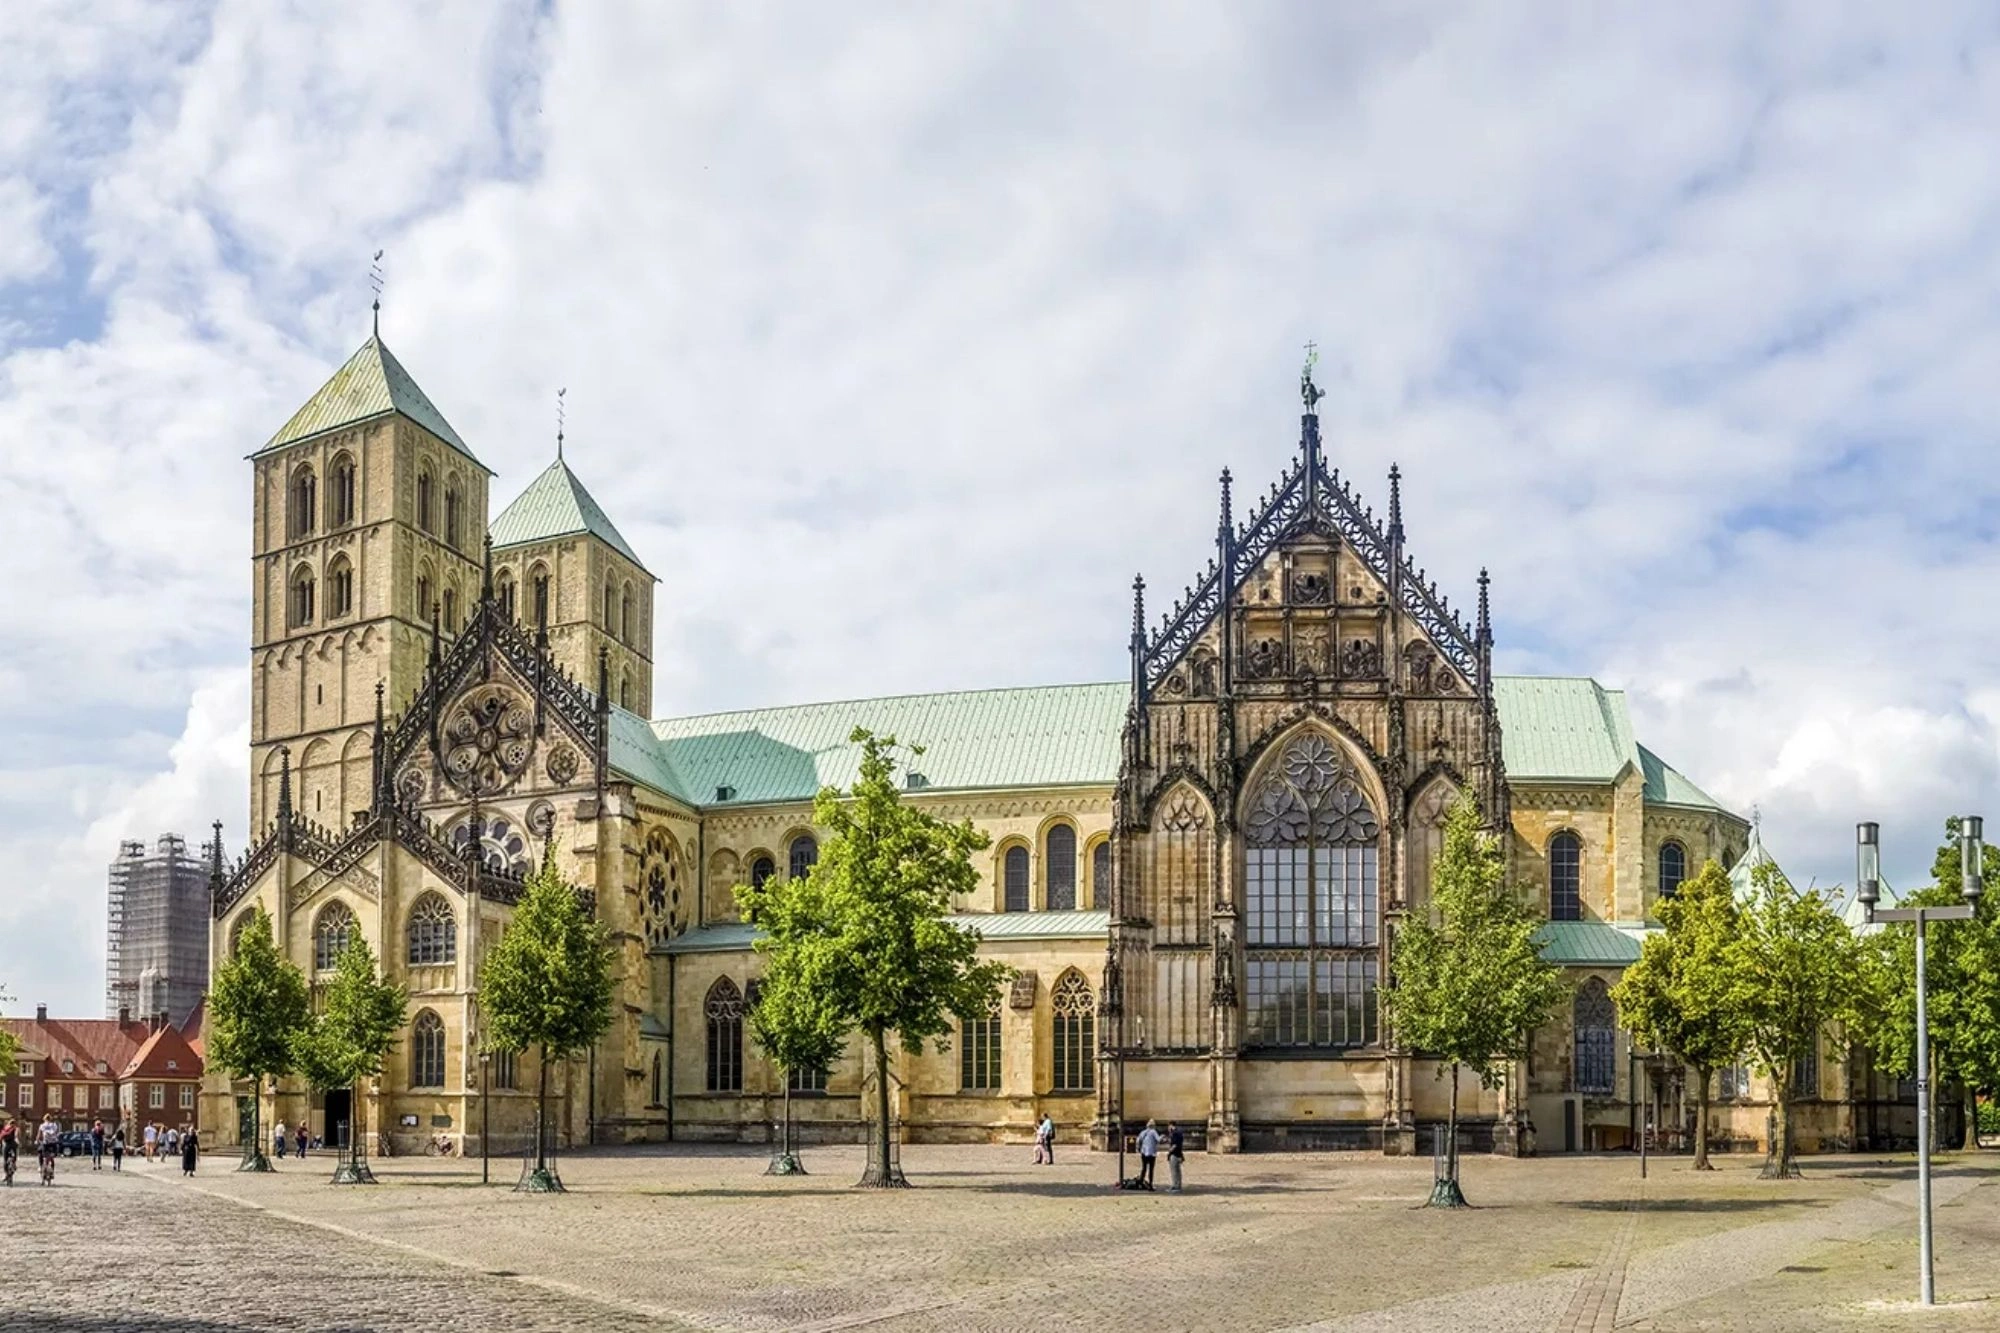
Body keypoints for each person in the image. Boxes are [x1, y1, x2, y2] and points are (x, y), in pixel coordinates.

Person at [1137, 1119, 1160, 1191]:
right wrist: (1162, 1137)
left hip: (1143, 1152)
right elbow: (1158, 1139)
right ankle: (1150, 1184)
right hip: (1151, 1153)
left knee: (1144, 1168)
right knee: (1151, 1169)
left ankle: (1140, 1182)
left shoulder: (1143, 1132)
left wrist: (1139, 1149)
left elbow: (1138, 1141)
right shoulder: (1153, 1132)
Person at [1167, 1121, 1185, 1193]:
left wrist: (1170, 1151)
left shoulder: (1175, 1133)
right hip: (1179, 1154)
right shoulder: (1179, 1133)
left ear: (1171, 1125)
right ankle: (1178, 1185)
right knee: (1178, 1171)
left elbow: (1174, 1145)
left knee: (1174, 1171)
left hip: (1174, 1154)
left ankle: (1175, 1186)